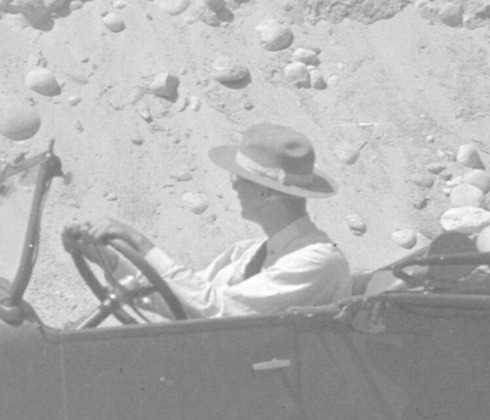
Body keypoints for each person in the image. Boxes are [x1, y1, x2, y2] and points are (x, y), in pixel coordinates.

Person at [64, 123, 352, 317]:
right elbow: (186, 300)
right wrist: (107, 260)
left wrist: (140, 242)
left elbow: (217, 310)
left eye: (241, 178)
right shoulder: (250, 252)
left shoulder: (317, 261)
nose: (233, 184)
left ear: (265, 191)